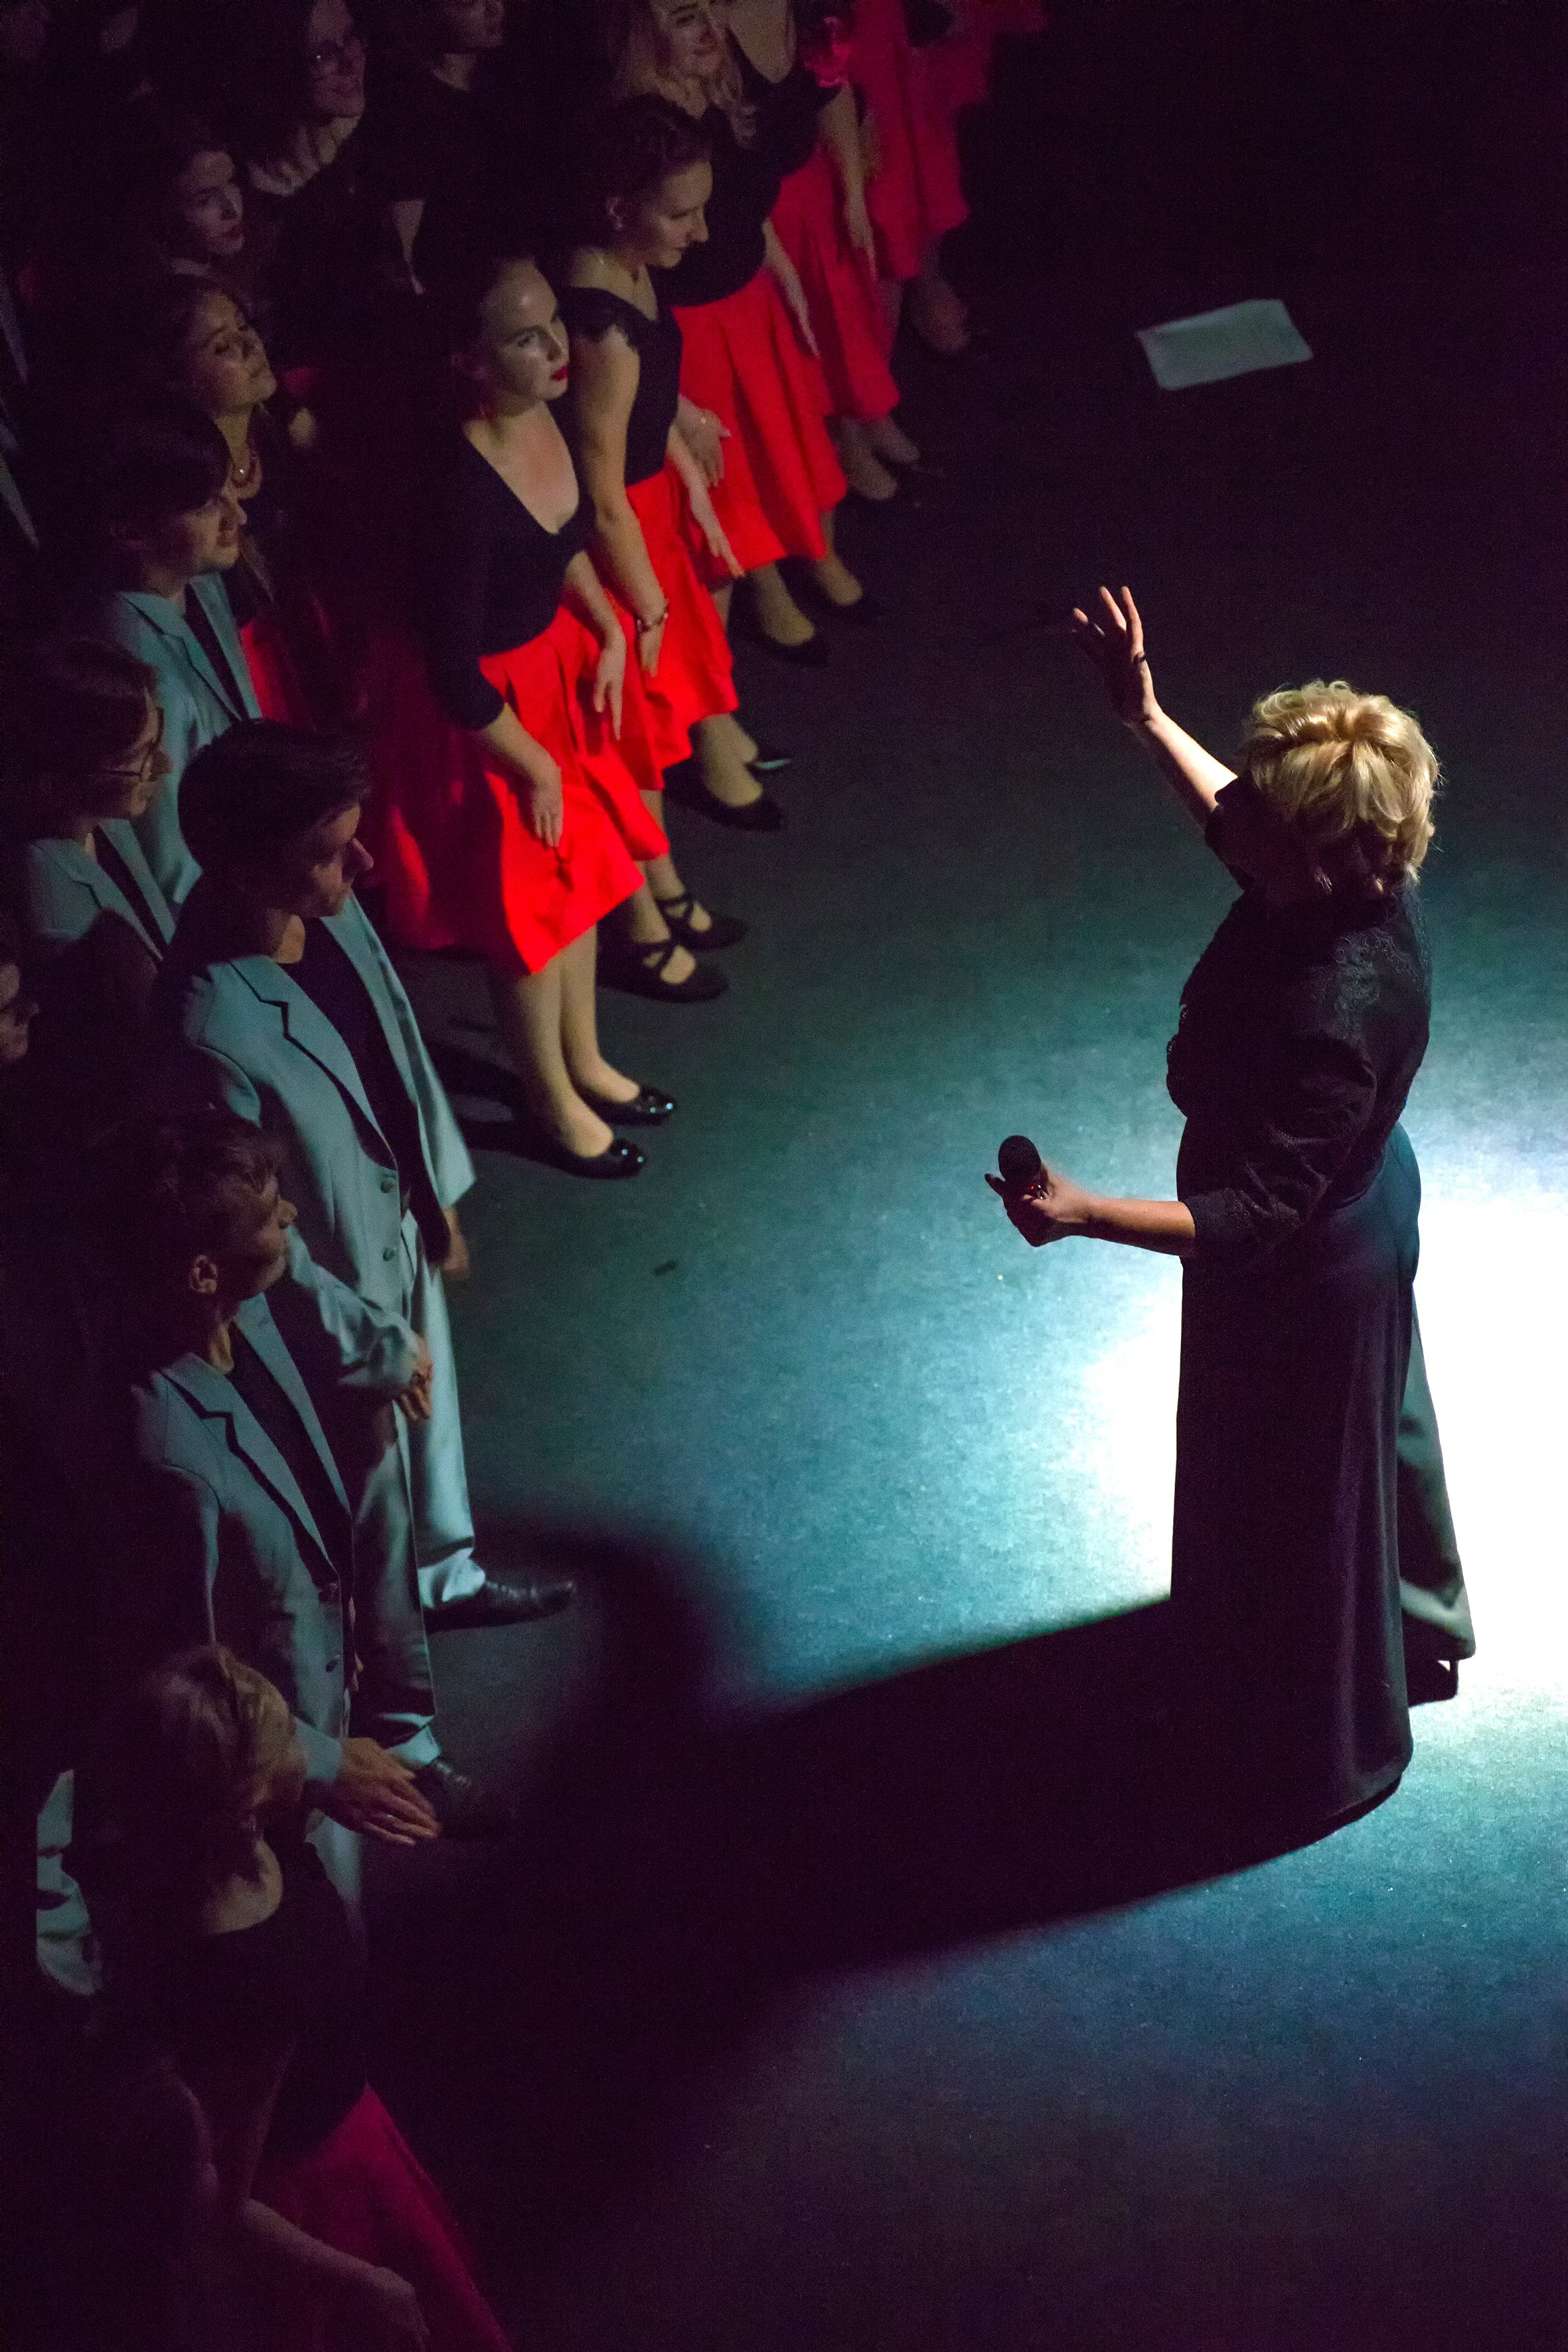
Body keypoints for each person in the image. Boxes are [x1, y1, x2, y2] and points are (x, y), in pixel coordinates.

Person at [989, 586, 1470, 1828]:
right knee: (1353, 1455)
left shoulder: (1333, 1010)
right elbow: (1232, 812)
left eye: (1259, 807)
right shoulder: (1335, 879)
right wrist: (1145, 714)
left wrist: (1085, 1212)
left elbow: (1256, 1214)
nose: (1227, 814)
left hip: (1305, 1272)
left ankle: (1311, 1746)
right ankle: (1404, 1628)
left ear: (1312, 849)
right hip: (1356, 1204)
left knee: (1290, 1499)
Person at [153, 722, 574, 1637]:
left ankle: (446, 1576)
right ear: (250, 869)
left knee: (423, 1452)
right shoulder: (210, 1027)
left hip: (389, 1232)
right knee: (367, 1498)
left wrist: (432, 1190)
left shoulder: (326, 914)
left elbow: (389, 1053)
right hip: (336, 1294)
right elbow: (240, 1222)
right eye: (332, 849)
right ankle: (394, 1686)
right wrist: (367, 1338)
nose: (366, 861)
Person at [374, 250, 692, 1158]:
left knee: (581, 886)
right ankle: (548, 1100)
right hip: (492, 715)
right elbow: (452, 671)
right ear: (470, 362)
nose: (557, 349)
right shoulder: (459, 488)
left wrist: (608, 628)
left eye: (554, 323)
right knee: (528, 919)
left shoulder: (542, 414)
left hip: (550, 681)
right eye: (526, 338)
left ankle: (583, 1060)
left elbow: (561, 545)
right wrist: (535, 766)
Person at [106, 1646, 514, 2349]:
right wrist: (358, 2279)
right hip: (319, 2195)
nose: (312, 1748)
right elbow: (223, 2195)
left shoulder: (240, 1850)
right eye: (289, 1740)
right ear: (245, 1799)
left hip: (353, 2127)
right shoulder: (254, 1976)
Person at [86, 1108, 471, 1847]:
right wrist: (320, 1762)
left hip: (321, 1692)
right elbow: (180, 1679)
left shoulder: (249, 1319)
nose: (292, 1214)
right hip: (262, 1780)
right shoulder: (166, 1459)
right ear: (203, 1270)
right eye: (268, 1216)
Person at [563, 95, 779, 940]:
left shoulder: (633, 268)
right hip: (617, 538)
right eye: (681, 213)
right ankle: (650, 909)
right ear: (621, 208)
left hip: (649, 513)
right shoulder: (600, 326)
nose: (700, 232)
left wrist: (689, 472)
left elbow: (646, 410)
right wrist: (648, 603)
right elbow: (600, 489)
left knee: (655, 721)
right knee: (635, 732)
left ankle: (659, 886)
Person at [607, 0, 866, 663]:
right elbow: (628, 266)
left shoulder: (718, 90)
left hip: (750, 299)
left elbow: (746, 206)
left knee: (785, 449)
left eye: (712, 11)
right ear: (646, 30)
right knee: (735, 483)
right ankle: (770, 600)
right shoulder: (640, 130)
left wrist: (783, 277)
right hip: (692, 324)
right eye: (685, 18)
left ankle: (815, 560)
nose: (709, 31)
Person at [54, 389, 261, 905]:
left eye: (228, 491)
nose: (237, 516)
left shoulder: (199, 582)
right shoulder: (142, 667)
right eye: (207, 503)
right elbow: (174, 865)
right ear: (131, 529)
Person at [0, 637, 175, 1204]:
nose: (163, 765)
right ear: (53, 781)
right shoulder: (52, 907)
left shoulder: (98, 823)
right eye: (137, 757)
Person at [729, 0, 920, 505]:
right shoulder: (710, 28)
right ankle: (844, 448)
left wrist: (853, 194)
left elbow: (831, 89)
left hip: (813, 184)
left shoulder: (809, 9)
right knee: (806, 336)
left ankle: (867, 422)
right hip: (762, 209)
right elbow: (730, 155)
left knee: (845, 317)